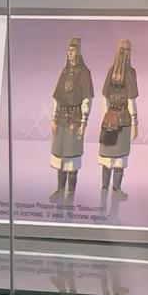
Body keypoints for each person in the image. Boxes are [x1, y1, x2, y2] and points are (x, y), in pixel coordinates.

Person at [49, 38, 93, 202]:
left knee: (72, 157)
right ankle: (60, 190)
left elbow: (87, 100)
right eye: (68, 50)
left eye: (73, 50)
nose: (70, 53)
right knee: (60, 155)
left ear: (78, 52)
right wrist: (54, 119)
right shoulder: (64, 72)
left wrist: (84, 123)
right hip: (61, 119)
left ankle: (70, 194)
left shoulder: (84, 73)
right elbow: (57, 98)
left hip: (75, 120)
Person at [98, 39, 139, 198]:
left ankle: (108, 188)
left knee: (116, 157)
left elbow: (105, 98)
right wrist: (135, 123)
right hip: (122, 120)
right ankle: (111, 189)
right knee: (116, 157)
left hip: (112, 118)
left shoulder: (114, 71)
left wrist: (108, 115)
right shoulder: (129, 73)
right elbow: (131, 101)